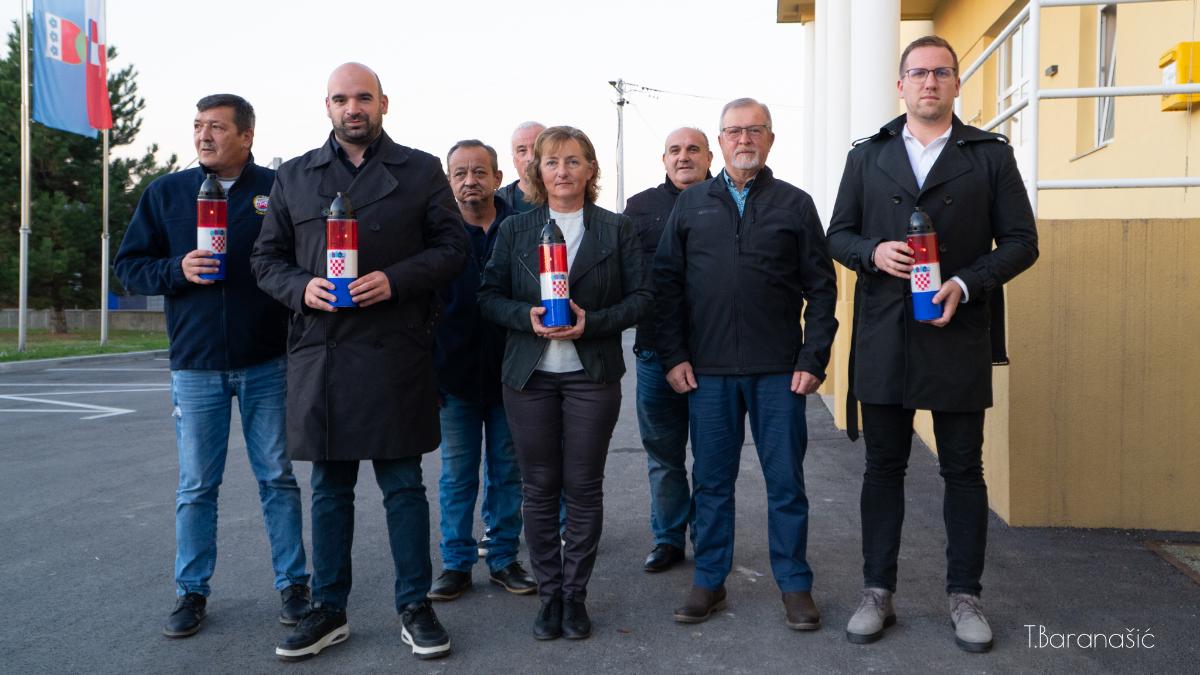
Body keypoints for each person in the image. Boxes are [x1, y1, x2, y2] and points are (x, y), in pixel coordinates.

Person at [827, 36, 1039, 653]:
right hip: (885, 333)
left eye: (941, 72)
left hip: (957, 329)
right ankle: (877, 592)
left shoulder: (990, 155)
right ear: (901, 85)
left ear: (955, 83)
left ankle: (965, 596)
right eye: (918, 73)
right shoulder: (867, 156)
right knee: (882, 468)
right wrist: (872, 252)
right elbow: (837, 234)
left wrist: (966, 284)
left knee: (963, 470)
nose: (929, 82)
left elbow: (1022, 242)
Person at [251, 63, 469, 662]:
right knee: (329, 488)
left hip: (395, 350)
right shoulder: (294, 176)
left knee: (403, 486)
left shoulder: (420, 170)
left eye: (364, 98)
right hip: (323, 353)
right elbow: (265, 260)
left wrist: (395, 280)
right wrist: (302, 288)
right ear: (327, 106)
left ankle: (415, 605)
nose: (354, 108)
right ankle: (328, 609)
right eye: (342, 99)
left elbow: (453, 249)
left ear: (383, 103)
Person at [114, 93, 309, 639]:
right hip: (196, 366)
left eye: (217, 127)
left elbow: (304, 260)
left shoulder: (277, 189)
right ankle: (192, 592)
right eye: (199, 125)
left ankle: (294, 585)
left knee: (277, 478)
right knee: (197, 484)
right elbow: (129, 266)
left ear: (247, 135)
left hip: (267, 361)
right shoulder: (167, 193)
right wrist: (177, 269)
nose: (204, 135)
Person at [654, 98, 838, 630]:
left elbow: (821, 289)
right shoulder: (692, 205)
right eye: (734, 131)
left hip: (780, 372)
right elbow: (665, 286)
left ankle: (795, 585)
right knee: (711, 483)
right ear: (720, 142)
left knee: (786, 483)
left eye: (755, 130)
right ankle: (709, 580)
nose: (744, 140)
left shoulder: (795, 204)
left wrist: (813, 357)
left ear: (771, 139)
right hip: (708, 372)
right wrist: (674, 356)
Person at [478, 125, 651, 641]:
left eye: (573, 161)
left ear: (590, 169)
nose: (562, 171)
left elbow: (643, 298)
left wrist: (591, 323)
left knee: (583, 487)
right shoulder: (516, 229)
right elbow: (488, 296)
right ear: (538, 171)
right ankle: (548, 595)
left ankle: (575, 596)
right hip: (529, 377)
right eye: (552, 162)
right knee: (538, 487)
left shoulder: (616, 229)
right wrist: (525, 316)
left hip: (590, 375)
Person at [427, 139, 536, 601]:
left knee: (508, 472)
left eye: (479, 172)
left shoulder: (523, 228)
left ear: (497, 178)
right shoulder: (436, 236)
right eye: (460, 173)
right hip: (453, 377)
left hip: (513, 374)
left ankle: (504, 558)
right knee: (457, 475)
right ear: (449, 182)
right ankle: (455, 563)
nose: (470, 181)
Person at [623, 127, 713, 573]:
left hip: (715, 357)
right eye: (674, 150)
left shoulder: (727, 202)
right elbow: (629, 279)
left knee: (712, 457)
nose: (683, 157)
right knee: (664, 455)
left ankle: (710, 541)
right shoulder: (639, 208)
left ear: (710, 157)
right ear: (663, 160)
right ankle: (668, 539)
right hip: (655, 355)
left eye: (693, 149)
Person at [496, 121, 546, 213]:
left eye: (537, 149)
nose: (530, 158)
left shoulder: (571, 196)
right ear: (514, 160)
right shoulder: (496, 202)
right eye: (522, 150)